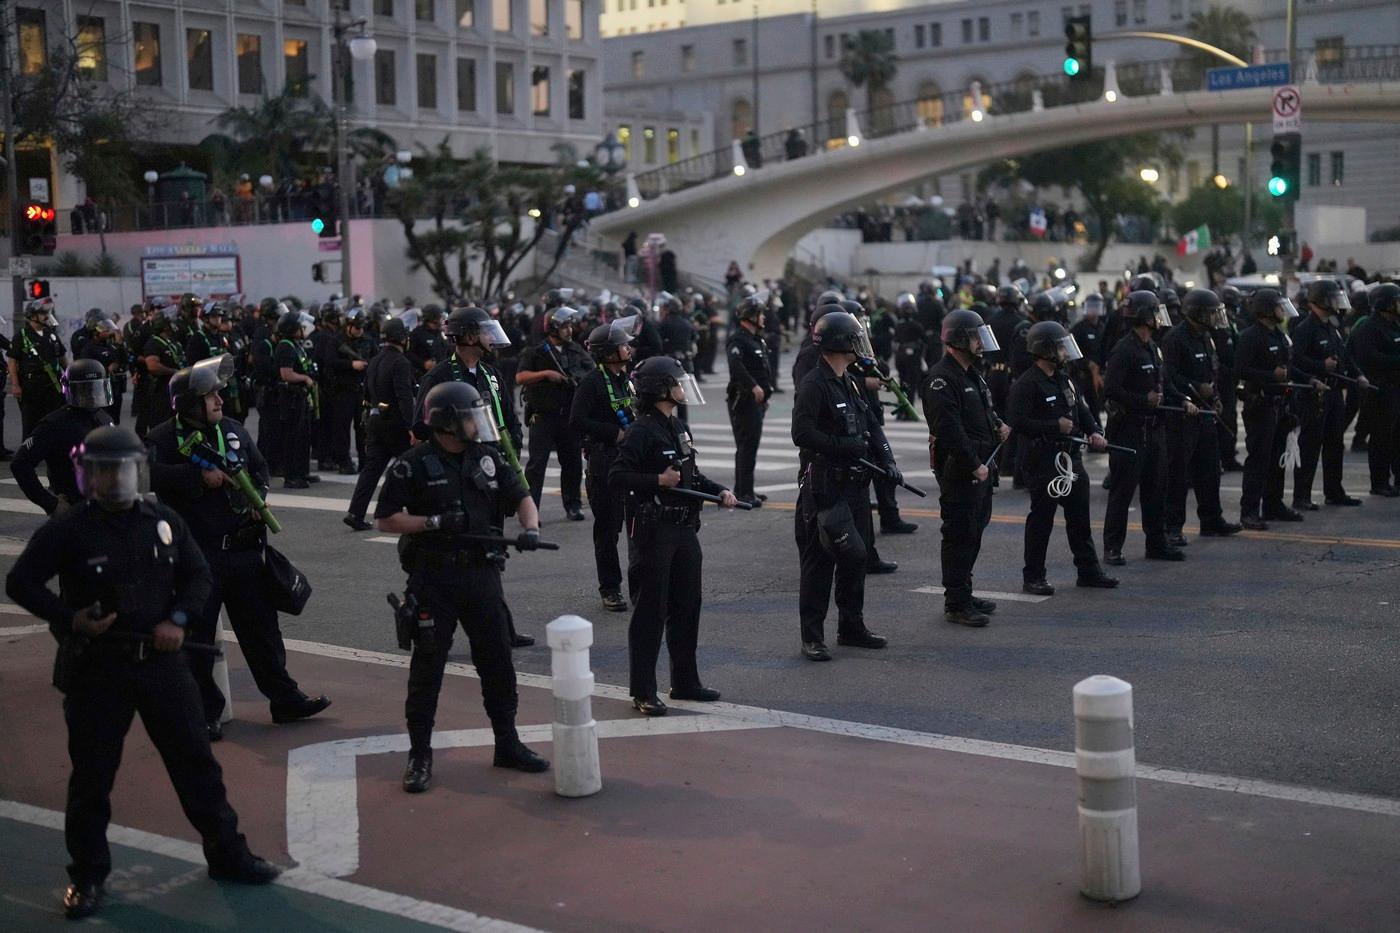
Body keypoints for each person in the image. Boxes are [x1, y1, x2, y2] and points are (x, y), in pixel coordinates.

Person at [5, 425, 280, 920]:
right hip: (98, 669)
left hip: (162, 665)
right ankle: (87, 875)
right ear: (88, 476)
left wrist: (178, 620)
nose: (116, 481)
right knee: (92, 779)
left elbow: (198, 575)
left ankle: (227, 853)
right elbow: (21, 582)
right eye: (105, 472)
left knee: (197, 765)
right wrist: (71, 619)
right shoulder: (70, 528)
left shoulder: (162, 521)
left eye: (125, 471)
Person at [375, 382, 550, 793]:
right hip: (434, 580)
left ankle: (507, 743)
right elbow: (386, 519)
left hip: (482, 577)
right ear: (447, 423)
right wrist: (432, 523)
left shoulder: (487, 458)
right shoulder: (412, 464)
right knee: (427, 670)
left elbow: (522, 496)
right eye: (470, 417)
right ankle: (420, 754)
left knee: (498, 664)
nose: (477, 424)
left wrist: (531, 528)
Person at [146, 355, 331, 739]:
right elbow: (146, 475)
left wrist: (257, 496)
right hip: (199, 556)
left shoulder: (232, 430)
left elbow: (259, 468)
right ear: (188, 403)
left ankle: (284, 699)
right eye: (210, 395)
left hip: (245, 551)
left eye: (218, 393)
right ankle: (205, 712)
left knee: (263, 632)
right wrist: (195, 477)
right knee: (198, 638)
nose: (219, 399)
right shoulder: (163, 438)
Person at [610, 357, 738, 712]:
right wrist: (658, 480)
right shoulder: (640, 431)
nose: (682, 388)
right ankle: (643, 691)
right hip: (653, 531)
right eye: (677, 383)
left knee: (687, 606)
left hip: (683, 529)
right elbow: (617, 476)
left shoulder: (678, 426)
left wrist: (719, 490)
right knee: (650, 611)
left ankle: (685, 682)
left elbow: (691, 476)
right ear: (659, 389)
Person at [791, 311, 892, 660]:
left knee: (856, 558)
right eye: (854, 340)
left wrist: (887, 461)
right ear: (839, 343)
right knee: (819, 562)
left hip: (855, 486)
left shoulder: (848, 380)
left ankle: (851, 626)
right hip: (825, 487)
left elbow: (871, 424)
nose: (859, 346)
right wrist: (845, 447)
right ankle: (812, 636)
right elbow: (802, 434)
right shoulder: (814, 384)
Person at [1008, 321, 1118, 595]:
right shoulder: (1027, 384)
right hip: (1043, 461)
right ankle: (1034, 576)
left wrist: (1095, 432)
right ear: (1044, 349)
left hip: (1071, 458)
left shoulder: (1064, 377)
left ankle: (1089, 571)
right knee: (1042, 521)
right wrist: (1054, 426)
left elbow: (1082, 410)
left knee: (1080, 519)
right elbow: (1017, 423)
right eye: (1060, 347)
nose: (1065, 352)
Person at [924, 309, 1010, 626]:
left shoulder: (972, 372)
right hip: (961, 470)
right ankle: (956, 603)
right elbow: (948, 428)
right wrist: (973, 464)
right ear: (959, 339)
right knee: (959, 535)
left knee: (974, 532)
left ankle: (965, 592)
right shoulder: (941, 379)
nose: (980, 343)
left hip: (982, 467)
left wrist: (998, 424)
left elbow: (983, 409)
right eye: (975, 337)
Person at [1102, 291, 1182, 564]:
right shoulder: (1124, 350)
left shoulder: (1152, 347)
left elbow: (1164, 383)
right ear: (1145, 316)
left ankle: (1156, 544)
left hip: (1154, 429)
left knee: (1155, 490)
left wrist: (1183, 400)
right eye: (1155, 312)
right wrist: (1142, 400)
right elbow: (1111, 390)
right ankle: (1112, 548)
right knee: (1122, 492)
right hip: (1129, 430)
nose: (1159, 318)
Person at [1160, 289, 1244, 543]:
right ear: (1197, 313)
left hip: (1205, 413)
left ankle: (1211, 520)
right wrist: (1194, 389)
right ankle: (1173, 528)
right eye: (1211, 313)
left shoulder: (1206, 337)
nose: (1215, 317)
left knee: (1209, 470)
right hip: (1183, 416)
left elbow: (1212, 370)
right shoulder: (1175, 339)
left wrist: (1214, 396)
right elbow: (1169, 377)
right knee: (1178, 474)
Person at [571, 319, 637, 613]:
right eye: (623, 345)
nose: (628, 349)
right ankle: (610, 588)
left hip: (629, 462)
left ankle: (640, 584)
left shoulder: (625, 378)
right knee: (608, 530)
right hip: (603, 463)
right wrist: (614, 433)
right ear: (609, 353)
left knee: (637, 526)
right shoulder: (592, 382)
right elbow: (577, 421)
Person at [1235, 288, 1306, 528]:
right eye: (1278, 306)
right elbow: (1241, 370)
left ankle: (1273, 504)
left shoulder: (1280, 335)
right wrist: (1269, 375)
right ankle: (1249, 511)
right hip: (1260, 405)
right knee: (1259, 460)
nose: (1282, 310)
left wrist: (1308, 379)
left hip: (1281, 404)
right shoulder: (1250, 337)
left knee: (1277, 459)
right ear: (1266, 309)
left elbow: (1289, 367)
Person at [1291, 280, 1365, 509]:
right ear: (1320, 300)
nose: (1336, 303)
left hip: (1334, 392)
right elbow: (1295, 361)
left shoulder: (1331, 326)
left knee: (1335, 444)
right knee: (1310, 445)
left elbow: (1344, 355)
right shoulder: (1304, 329)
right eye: (1332, 298)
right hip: (1314, 394)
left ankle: (1334, 491)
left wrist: (1358, 375)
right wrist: (1320, 367)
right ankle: (1301, 496)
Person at [516, 306, 592, 519]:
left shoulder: (575, 350)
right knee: (536, 465)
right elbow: (520, 377)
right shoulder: (536, 351)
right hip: (543, 415)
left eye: (570, 326)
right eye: (565, 326)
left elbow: (591, 370)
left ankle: (573, 505)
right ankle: (531, 511)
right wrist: (546, 374)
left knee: (572, 463)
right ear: (552, 328)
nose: (569, 330)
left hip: (568, 415)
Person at [12, 360, 115, 514]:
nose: (92, 396)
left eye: (95, 389)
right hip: (74, 507)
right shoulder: (54, 424)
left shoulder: (104, 418)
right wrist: (50, 503)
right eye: (85, 391)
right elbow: (20, 464)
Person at [346, 319, 416, 529]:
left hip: (375, 420)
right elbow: (404, 397)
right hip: (396, 423)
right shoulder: (401, 362)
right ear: (401, 338)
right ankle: (408, 511)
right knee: (410, 467)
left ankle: (355, 513)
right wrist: (412, 426)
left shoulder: (375, 360)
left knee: (371, 470)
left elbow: (366, 393)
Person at [1349, 283, 1400, 496]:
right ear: (1385, 304)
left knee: (1396, 437)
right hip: (1378, 390)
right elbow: (1370, 358)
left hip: (1395, 388)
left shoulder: (1394, 325)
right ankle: (1379, 482)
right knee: (1381, 437)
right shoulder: (1368, 327)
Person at [726, 289, 775, 507]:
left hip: (757, 402)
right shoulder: (738, 339)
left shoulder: (756, 340)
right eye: (760, 314)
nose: (763, 317)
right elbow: (736, 366)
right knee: (746, 446)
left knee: (750, 446)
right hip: (744, 400)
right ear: (750, 316)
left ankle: (747, 489)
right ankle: (743, 492)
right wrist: (754, 387)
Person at [8, 298, 68, 438]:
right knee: (31, 423)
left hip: (54, 384)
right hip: (32, 386)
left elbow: (62, 357)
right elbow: (12, 361)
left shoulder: (51, 334)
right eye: (43, 313)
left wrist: (69, 374)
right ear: (33, 316)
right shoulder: (21, 336)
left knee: (56, 420)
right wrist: (15, 385)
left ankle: (54, 449)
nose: (47, 316)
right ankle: (30, 449)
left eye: (48, 313)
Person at [273, 310, 320, 488]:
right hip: (291, 399)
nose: (302, 329)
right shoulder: (285, 346)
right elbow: (286, 374)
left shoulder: (295, 345)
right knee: (292, 438)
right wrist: (305, 378)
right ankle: (291, 476)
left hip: (301, 398)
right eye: (299, 326)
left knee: (303, 437)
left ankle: (302, 472)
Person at [140, 306, 187, 434]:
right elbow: (153, 366)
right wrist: (174, 372)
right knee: (162, 426)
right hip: (161, 392)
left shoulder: (173, 341)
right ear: (165, 326)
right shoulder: (153, 343)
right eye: (171, 322)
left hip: (176, 390)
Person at [1215, 285, 1246, 471]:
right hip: (1222, 380)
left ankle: (1228, 456)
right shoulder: (1218, 328)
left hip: (1231, 380)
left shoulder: (1233, 324)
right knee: (1223, 419)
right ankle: (1221, 457)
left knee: (1230, 418)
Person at [78, 314, 126, 423]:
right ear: (95, 332)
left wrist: (119, 345)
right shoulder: (88, 349)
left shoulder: (109, 346)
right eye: (105, 329)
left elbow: (122, 360)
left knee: (115, 419)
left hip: (114, 387)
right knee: (103, 419)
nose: (108, 331)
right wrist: (106, 369)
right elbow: (88, 369)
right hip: (99, 391)